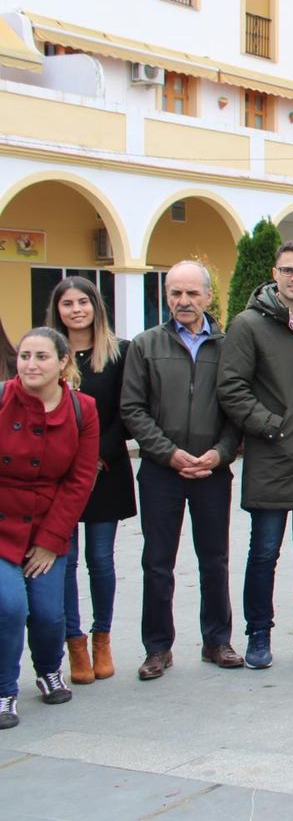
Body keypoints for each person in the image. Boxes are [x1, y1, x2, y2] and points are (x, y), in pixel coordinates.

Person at [218, 241, 293, 669]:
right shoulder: (248, 325)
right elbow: (231, 387)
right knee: (264, 551)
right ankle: (258, 633)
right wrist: (272, 425)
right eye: (288, 270)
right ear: (275, 273)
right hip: (272, 456)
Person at [120, 261, 243, 681]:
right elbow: (132, 409)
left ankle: (217, 641)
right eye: (176, 293)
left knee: (215, 559)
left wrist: (220, 454)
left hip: (211, 471)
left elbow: (237, 410)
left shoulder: (229, 347)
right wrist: (168, 454)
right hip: (160, 471)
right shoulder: (145, 344)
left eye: (193, 293)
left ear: (209, 296)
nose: (184, 301)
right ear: (166, 296)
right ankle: (157, 648)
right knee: (157, 562)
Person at [0, 327, 99, 729]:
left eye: (41, 357)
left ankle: (47, 669)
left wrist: (50, 541)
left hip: (48, 525)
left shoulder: (83, 408)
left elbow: (79, 481)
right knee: (9, 607)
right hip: (2, 522)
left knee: (47, 614)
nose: (30, 365)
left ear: (62, 362)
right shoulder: (2, 399)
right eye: (25, 356)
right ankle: (5, 689)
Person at [47, 277, 134, 683]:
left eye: (84, 301)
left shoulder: (119, 354)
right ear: (57, 310)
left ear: (97, 306)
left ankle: (102, 639)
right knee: (63, 563)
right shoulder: (50, 355)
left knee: (100, 561)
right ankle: (74, 644)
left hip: (105, 471)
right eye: (68, 303)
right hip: (57, 478)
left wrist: (96, 458)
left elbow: (125, 413)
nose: (76, 309)